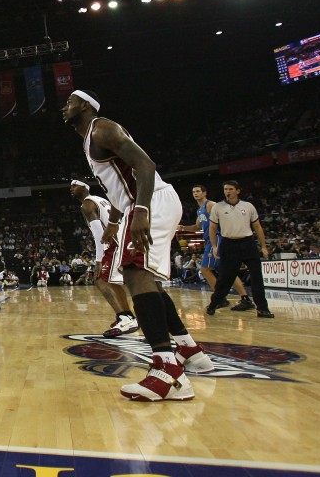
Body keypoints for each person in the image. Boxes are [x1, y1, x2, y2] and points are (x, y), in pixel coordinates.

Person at [62, 89, 211, 401]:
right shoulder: (90, 138)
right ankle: (188, 349)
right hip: (141, 203)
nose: (65, 107)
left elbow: (146, 165)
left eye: (70, 102)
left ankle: (166, 371)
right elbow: (118, 189)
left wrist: (141, 210)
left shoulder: (103, 129)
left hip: (149, 201)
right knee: (146, 281)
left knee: (134, 273)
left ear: (86, 106)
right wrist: (114, 222)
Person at [70, 180, 139, 337]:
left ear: (84, 187)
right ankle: (127, 316)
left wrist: (98, 260)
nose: (71, 189)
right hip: (122, 239)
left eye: (75, 185)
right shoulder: (101, 199)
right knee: (112, 281)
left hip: (112, 242)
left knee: (100, 280)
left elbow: (98, 234)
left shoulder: (87, 204)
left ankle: (125, 318)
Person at [178, 184, 254, 311]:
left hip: (217, 238)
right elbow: (197, 227)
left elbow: (226, 216)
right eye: (193, 192)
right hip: (212, 240)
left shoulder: (210, 205)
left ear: (204, 193)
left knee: (204, 269)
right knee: (228, 271)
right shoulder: (200, 210)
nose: (195, 193)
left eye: (198, 191)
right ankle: (245, 299)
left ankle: (220, 298)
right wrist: (183, 228)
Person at [205, 180, 274, 318]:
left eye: (230, 189)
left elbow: (257, 226)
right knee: (225, 279)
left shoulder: (248, 206)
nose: (227, 191)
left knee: (257, 277)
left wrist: (263, 246)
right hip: (228, 244)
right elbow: (212, 228)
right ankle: (213, 304)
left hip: (248, 243)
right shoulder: (217, 207)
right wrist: (214, 246)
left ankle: (262, 308)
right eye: (225, 189)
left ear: (237, 191)